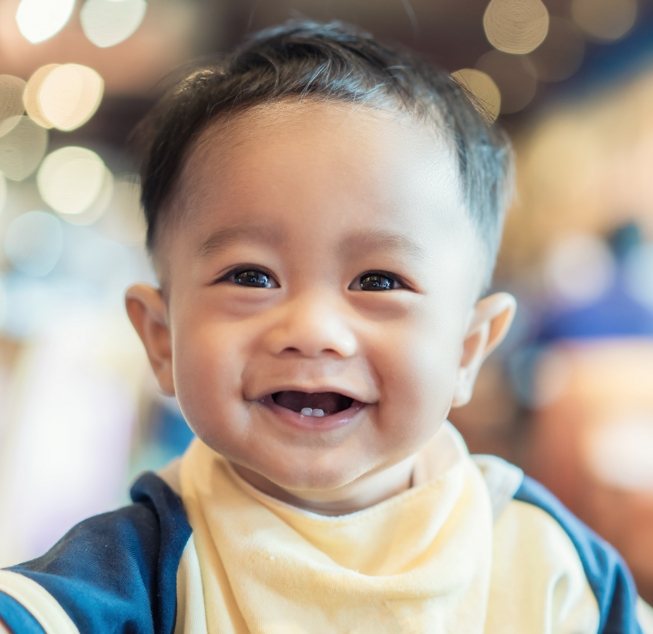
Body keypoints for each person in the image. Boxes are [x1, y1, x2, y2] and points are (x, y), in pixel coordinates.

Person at [0, 20, 650, 634]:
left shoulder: (550, 564)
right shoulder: (140, 571)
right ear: (161, 337)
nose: (312, 330)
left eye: (378, 281)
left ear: (467, 348)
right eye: (251, 276)